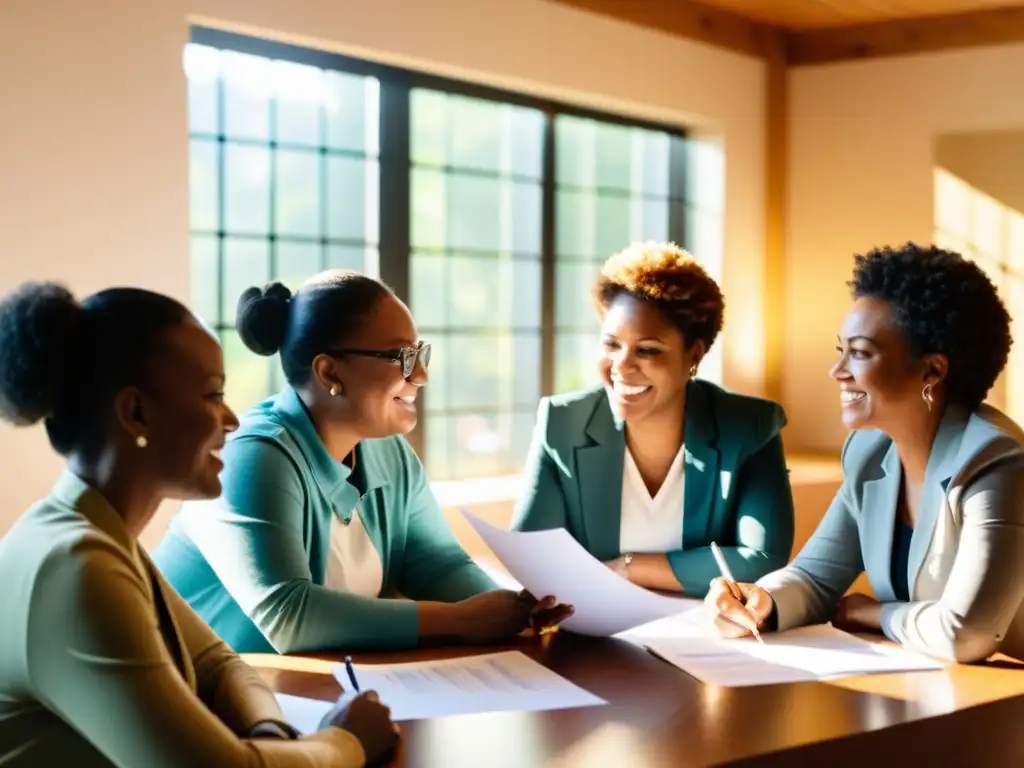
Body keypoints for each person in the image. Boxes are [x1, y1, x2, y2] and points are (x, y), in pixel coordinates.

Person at [0, 282, 397, 767]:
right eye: (213, 394)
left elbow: (220, 664)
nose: (231, 420)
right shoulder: (76, 567)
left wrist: (267, 731)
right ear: (136, 413)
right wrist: (348, 742)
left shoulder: (93, 533)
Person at [153, 271, 571, 654]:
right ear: (330, 373)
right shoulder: (253, 455)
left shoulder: (387, 451)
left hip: (306, 692)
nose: (421, 374)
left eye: (419, 353)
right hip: (193, 694)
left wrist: (518, 612)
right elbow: (288, 614)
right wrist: (461, 620)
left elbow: (435, 562)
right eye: (401, 356)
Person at [706, 243, 1024, 663]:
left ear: (932, 371)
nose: (837, 371)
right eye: (842, 351)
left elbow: (967, 634)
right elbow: (815, 578)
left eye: (859, 353)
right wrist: (763, 599)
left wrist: (874, 612)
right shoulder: (870, 454)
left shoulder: (997, 463)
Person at [512, 241, 795, 596]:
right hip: (597, 631)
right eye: (611, 344)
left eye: (647, 350)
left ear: (693, 355)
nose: (622, 365)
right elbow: (534, 557)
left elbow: (763, 558)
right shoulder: (562, 423)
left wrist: (628, 568)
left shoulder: (750, 426)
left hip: (709, 634)